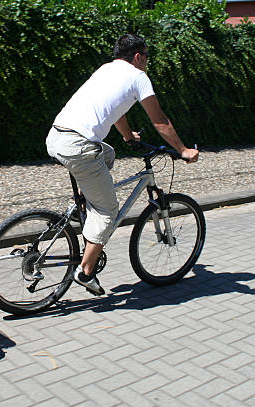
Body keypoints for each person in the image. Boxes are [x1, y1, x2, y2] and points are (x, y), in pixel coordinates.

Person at [46, 33, 199, 296]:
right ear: (139, 56)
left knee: (106, 153)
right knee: (108, 210)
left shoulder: (107, 69)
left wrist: (128, 136)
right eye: (147, 57)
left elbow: (117, 109)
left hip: (57, 136)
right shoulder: (139, 76)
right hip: (79, 147)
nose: (147, 62)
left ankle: (82, 205)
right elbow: (160, 120)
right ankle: (85, 272)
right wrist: (183, 150)